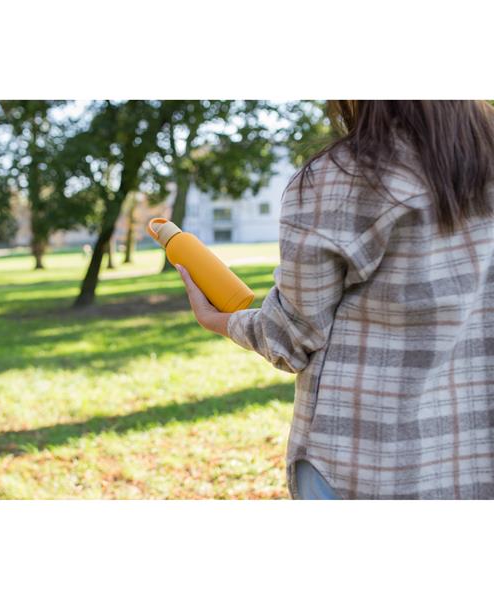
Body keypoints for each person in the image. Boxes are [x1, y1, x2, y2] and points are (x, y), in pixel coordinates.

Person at [176, 100, 494, 500]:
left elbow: (290, 337)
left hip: (359, 464)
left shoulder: (343, 176)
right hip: (473, 467)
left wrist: (218, 319)